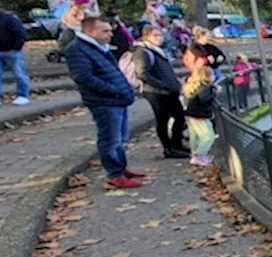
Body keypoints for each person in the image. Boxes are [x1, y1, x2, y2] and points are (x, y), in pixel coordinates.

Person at [65, 16, 142, 189]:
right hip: (104, 102)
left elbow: (113, 71)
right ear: (90, 32)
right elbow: (83, 77)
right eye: (105, 31)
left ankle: (121, 169)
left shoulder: (100, 48)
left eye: (110, 30)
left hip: (117, 99)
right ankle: (115, 174)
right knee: (110, 139)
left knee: (120, 138)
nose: (110, 35)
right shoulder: (77, 49)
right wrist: (113, 90)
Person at [132, 22, 189, 159]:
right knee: (163, 120)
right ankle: (169, 149)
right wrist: (164, 85)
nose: (159, 38)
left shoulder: (158, 51)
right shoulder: (143, 52)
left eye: (161, 35)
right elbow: (142, 73)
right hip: (156, 92)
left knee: (179, 117)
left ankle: (177, 144)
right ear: (146, 36)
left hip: (169, 91)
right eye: (155, 35)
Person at [181, 47, 217, 165]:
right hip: (200, 115)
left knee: (195, 135)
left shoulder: (195, 86)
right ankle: (199, 155)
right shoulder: (205, 88)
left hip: (192, 114)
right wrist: (214, 91)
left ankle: (195, 154)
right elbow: (204, 99)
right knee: (208, 136)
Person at [0, 5, 30, 106]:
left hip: (11, 51)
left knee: (19, 74)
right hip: (0, 52)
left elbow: (20, 33)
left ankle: (23, 95)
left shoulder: (8, 19)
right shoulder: (9, 19)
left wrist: (16, 47)